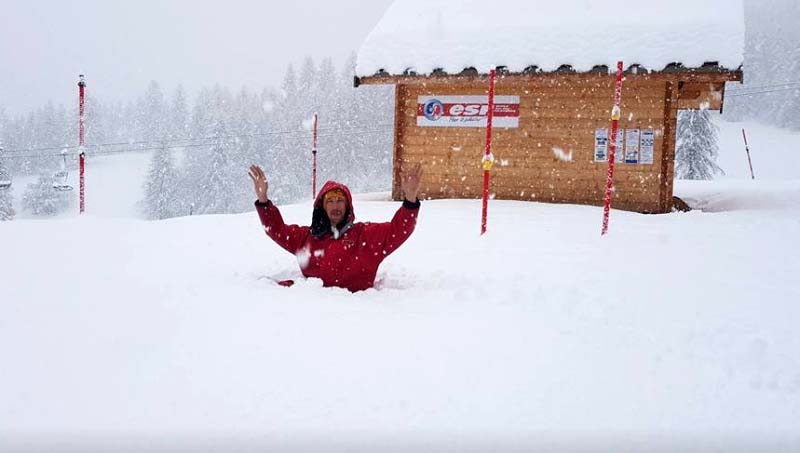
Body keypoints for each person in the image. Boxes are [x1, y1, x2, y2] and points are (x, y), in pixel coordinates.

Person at [248, 163, 423, 292]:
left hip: (363, 317)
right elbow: (276, 230)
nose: (335, 205)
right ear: (322, 207)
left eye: (340, 200)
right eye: (330, 201)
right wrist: (263, 200)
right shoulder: (306, 238)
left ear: (348, 206)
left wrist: (410, 200)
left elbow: (398, 230)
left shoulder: (366, 236)